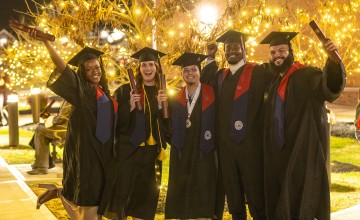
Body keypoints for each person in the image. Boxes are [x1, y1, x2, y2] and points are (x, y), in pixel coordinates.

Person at [29, 30, 118, 220]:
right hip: (88, 159)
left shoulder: (104, 93)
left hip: (105, 159)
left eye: (97, 67)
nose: (95, 71)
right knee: (89, 213)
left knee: (97, 213)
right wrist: (47, 43)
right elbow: (62, 67)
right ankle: (60, 194)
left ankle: (58, 193)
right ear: (82, 73)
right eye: (89, 68)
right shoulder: (82, 91)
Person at [260, 31, 346, 220]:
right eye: (273, 53)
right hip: (279, 153)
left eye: (281, 51)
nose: (277, 56)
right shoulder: (274, 83)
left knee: (301, 202)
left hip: (302, 149)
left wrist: (332, 62)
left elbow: (329, 88)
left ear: (291, 52)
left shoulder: (307, 74)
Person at [214, 30, 273, 220]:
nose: (231, 51)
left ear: (244, 49)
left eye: (236, 47)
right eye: (228, 48)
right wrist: (208, 57)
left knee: (256, 196)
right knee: (234, 197)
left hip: (251, 147)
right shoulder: (220, 77)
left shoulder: (259, 71)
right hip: (227, 148)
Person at [105, 47, 167, 220]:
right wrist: (129, 107)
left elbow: (167, 126)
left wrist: (163, 106)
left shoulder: (162, 93)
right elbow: (113, 121)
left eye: (151, 65)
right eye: (144, 65)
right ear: (139, 69)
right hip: (129, 152)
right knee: (125, 193)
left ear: (157, 68)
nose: (147, 69)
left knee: (147, 197)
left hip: (152, 154)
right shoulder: (126, 91)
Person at [157, 52, 218, 219]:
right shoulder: (175, 98)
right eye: (186, 70)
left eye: (194, 69)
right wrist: (159, 107)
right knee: (181, 189)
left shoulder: (212, 94)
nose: (190, 73)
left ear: (200, 72)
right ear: (181, 74)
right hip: (182, 153)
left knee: (203, 187)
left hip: (204, 152)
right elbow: (166, 125)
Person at [27, 100, 71, 175]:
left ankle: (42, 166)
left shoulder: (69, 100)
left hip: (66, 130)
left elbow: (61, 119)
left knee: (39, 130)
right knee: (40, 129)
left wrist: (49, 118)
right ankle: (43, 164)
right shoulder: (70, 97)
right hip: (68, 128)